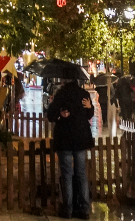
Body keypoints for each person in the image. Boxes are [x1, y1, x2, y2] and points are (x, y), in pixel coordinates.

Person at [46, 79, 95, 217]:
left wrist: (55, 108)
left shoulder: (61, 94)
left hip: (65, 139)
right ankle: (84, 208)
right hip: (80, 138)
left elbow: (51, 116)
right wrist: (89, 107)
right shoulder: (83, 94)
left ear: (65, 80)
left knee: (67, 174)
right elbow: (89, 114)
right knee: (81, 174)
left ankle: (68, 208)